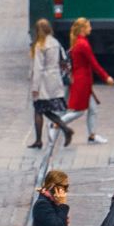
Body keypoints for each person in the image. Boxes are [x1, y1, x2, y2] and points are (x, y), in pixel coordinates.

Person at [61, 18, 114, 144]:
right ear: (83, 29)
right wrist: (106, 77)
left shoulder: (79, 42)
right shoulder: (83, 44)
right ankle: (57, 124)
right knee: (79, 111)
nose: (91, 28)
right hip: (82, 81)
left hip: (83, 80)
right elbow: (94, 63)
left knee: (93, 109)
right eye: (89, 26)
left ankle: (92, 136)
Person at [29, 19, 74, 148]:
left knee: (39, 109)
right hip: (54, 79)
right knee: (44, 110)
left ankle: (40, 140)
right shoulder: (55, 42)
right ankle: (64, 129)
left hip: (43, 82)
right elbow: (63, 59)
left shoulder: (40, 45)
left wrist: (35, 87)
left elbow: (38, 68)